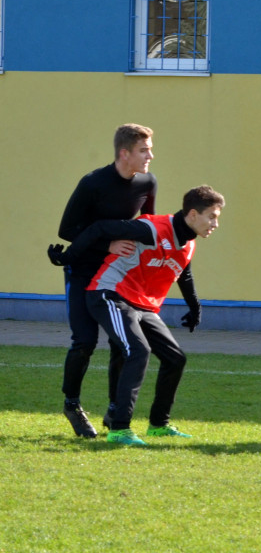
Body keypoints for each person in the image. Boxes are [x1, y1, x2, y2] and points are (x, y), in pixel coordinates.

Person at [47, 186, 224, 446]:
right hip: (110, 294)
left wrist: (195, 306)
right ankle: (119, 429)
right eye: (212, 217)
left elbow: (184, 273)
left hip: (142, 306)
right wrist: (68, 257)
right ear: (193, 214)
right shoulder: (150, 229)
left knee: (175, 359)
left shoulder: (188, 244)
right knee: (138, 351)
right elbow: (99, 228)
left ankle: (159, 425)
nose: (215, 224)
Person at [56, 124, 194, 439]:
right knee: (84, 342)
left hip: (118, 274)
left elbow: (148, 225)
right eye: (144, 150)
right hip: (83, 269)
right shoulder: (93, 183)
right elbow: (67, 231)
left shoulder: (147, 182)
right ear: (124, 153)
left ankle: (115, 410)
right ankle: (72, 405)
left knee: (124, 343)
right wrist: (107, 245)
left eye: (150, 149)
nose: (150, 156)